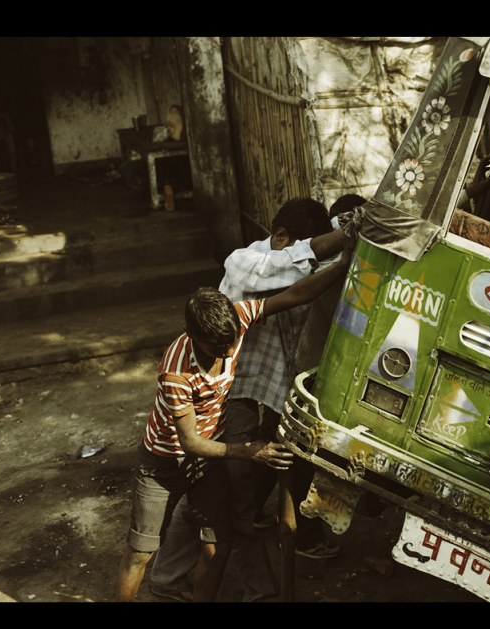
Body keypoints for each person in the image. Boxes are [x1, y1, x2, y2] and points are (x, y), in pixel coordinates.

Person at [147, 195, 364, 602]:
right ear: (280, 236)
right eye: (302, 248)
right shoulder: (245, 262)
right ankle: (219, 585)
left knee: (239, 498)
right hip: (233, 397)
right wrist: (339, 248)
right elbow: (298, 276)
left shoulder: (310, 263)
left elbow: (313, 276)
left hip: (277, 399)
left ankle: (192, 577)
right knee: (228, 499)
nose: (309, 259)